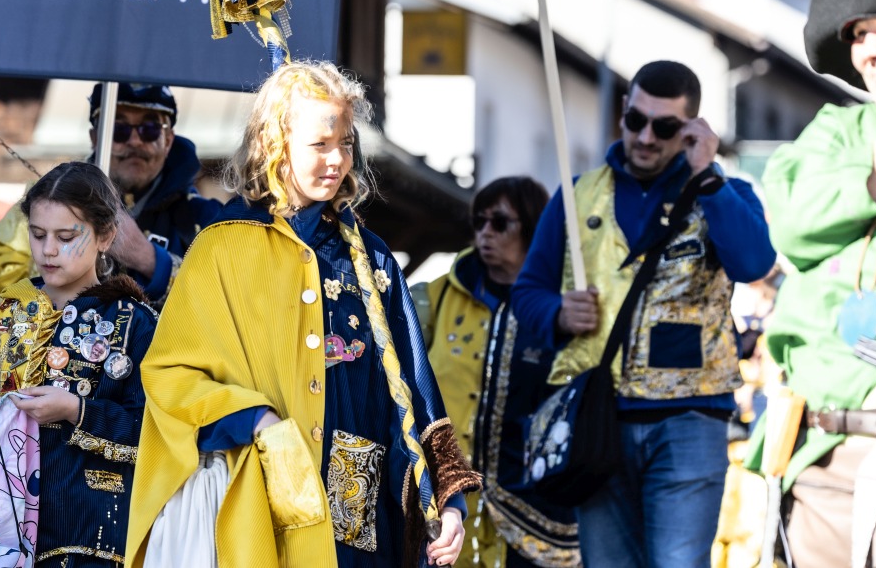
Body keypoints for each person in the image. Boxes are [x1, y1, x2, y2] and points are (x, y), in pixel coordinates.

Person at [125, 61, 481, 568]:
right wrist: (254, 418)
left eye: (346, 143)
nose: (337, 160)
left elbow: (416, 391)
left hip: (359, 526)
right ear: (275, 146)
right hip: (257, 513)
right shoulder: (219, 250)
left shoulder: (373, 258)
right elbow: (170, 376)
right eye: (319, 144)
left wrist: (448, 501)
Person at [512, 59, 776, 568]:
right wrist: (559, 312)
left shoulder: (723, 191)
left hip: (691, 416)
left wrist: (707, 175)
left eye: (665, 126)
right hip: (596, 416)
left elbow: (753, 263)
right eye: (636, 120)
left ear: (693, 129)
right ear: (623, 112)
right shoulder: (576, 194)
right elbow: (528, 292)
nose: (647, 136)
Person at [0, 161, 159, 566]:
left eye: (66, 237)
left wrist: (76, 410)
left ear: (106, 236)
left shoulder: (134, 323)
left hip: (88, 536)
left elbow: (156, 431)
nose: (48, 250)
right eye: (38, 235)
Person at [750, 0, 876, 567]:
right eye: (858, 34)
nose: (869, 50)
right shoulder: (838, 131)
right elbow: (790, 222)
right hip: (827, 464)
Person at [411, 176, 580, 568]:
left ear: (533, 228)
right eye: (479, 221)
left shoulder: (561, 310)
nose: (485, 232)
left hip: (533, 510)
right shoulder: (431, 298)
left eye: (500, 223)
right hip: (445, 504)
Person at [0, 83, 221, 307]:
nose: (135, 141)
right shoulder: (44, 203)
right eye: (119, 129)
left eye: (150, 129)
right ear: (95, 137)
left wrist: (149, 259)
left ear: (167, 140)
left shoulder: (205, 217)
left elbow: (222, 303)